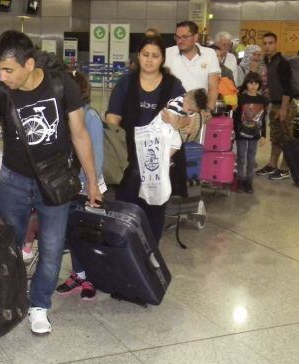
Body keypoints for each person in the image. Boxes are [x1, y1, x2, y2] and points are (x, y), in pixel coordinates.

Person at [0, 30, 101, 334]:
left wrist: (92, 180)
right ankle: (11, 297)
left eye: (8, 70)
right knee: (8, 245)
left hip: (55, 181)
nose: (2, 77)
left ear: (29, 64)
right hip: (13, 179)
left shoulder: (61, 85)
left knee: (53, 248)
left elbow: (80, 134)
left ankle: (39, 304)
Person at [106, 35, 185, 242]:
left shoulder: (173, 85)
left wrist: (177, 122)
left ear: (162, 59)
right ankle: (126, 255)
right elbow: (113, 115)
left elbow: (189, 120)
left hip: (158, 161)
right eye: (145, 55)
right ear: (138, 56)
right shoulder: (126, 82)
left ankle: (150, 255)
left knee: (154, 211)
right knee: (126, 210)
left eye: (155, 56)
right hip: (128, 158)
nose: (149, 60)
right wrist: (112, 143)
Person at [55, 71, 106, 301]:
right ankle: (78, 274)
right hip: (71, 186)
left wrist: (89, 185)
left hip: (88, 186)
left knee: (88, 235)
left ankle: (92, 278)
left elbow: (95, 155)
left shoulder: (90, 116)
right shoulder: (66, 116)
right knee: (75, 233)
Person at [255, 32, 294, 181]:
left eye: (270, 43)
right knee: (276, 137)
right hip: (274, 105)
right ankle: (272, 164)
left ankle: (285, 167)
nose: (267, 46)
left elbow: (287, 88)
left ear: (276, 44)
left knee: (286, 137)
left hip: (285, 105)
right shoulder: (267, 61)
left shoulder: (282, 63)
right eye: (264, 43)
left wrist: (284, 109)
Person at [164, 20, 220, 112]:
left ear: (196, 37)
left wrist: (209, 110)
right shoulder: (167, 53)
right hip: (172, 110)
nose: (180, 41)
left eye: (184, 37)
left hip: (199, 111)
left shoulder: (210, 54)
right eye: (177, 37)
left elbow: (213, 87)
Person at [233, 72, 269, 194]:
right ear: (246, 84)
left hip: (255, 133)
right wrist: (234, 131)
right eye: (250, 83)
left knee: (251, 158)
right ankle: (240, 181)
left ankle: (249, 181)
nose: (253, 86)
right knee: (241, 157)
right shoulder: (240, 98)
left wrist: (264, 135)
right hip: (241, 133)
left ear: (259, 85)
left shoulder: (263, 100)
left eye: (256, 83)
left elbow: (263, 118)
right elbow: (236, 117)